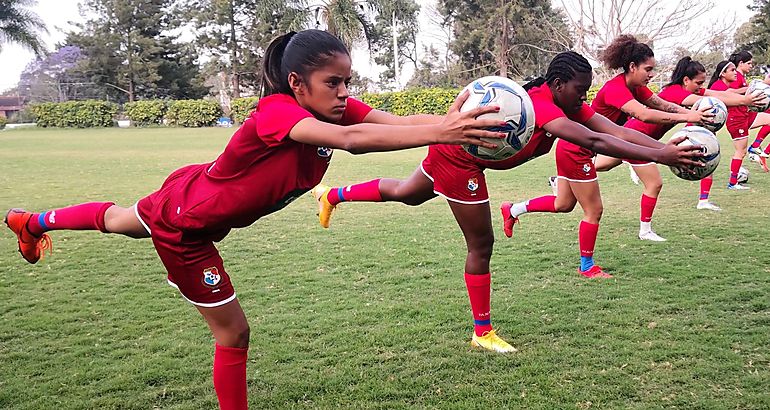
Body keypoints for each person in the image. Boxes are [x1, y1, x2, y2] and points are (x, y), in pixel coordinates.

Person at [4, 30, 507, 410]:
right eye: (332, 82)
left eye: (347, 81)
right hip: (188, 228)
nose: (342, 92)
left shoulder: (334, 107)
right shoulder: (276, 112)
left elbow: (394, 123)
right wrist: (444, 131)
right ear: (296, 83)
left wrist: (453, 119)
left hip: (192, 191)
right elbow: (355, 142)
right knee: (234, 334)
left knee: (116, 219)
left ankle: (33, 222)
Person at [311, 51, 704, 353]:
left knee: (406, 194)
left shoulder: (567, 102)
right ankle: (483, 332)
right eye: (578, 90)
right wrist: (662, 156)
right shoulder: (543, 106)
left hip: (462, 156)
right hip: (459, 160)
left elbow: (613, 129)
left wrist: (661, 147)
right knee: (482, 244)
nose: (582, 98)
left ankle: (332, 194)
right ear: (555, 83)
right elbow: (596, 142)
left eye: (585, 91)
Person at [502, 38, 713, 282]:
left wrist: (666, 145)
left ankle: (514, 209)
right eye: (648, 69)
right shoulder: (614, 89)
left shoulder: (632, 89)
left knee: (564, 204)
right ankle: (587, 266)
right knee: (595, 209)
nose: (652, 75)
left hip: (585, 146)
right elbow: (627, 124)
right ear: (632, 66)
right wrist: (662, 152)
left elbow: (624, 130)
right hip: (577, 148)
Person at [594, 57, 763, 215]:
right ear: (686, 80)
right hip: (637, 137)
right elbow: (649, 114)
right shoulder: (675, 92)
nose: (700, 87)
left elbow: (718, 95)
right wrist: (743, 101)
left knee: (597, 166)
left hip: (640, 138)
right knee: (654, 184)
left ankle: (573, 168)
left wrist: (744, 98)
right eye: (698, 83)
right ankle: (645, 231)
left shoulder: (684, 90)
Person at [712, 51, 770, 189]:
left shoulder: (741, 77)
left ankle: (755, 147)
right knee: (740, 151)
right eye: (749, 63)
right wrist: (762, 83)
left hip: (746, 115)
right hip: (736, 119)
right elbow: (728, 93)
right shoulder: (736, 76)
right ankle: (733, 183)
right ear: (741, 63)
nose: (751, 66)